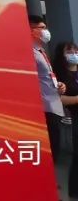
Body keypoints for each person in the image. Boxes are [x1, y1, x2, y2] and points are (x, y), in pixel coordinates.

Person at [32, 15, 66, 164]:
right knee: (50, 149)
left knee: (55, 147)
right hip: (45, 106)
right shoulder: (30, 52)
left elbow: (46, 76)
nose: (46, 31)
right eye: (42, 28)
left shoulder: (41, 51)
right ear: (31, 30)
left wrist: (59, 84)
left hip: (53, 103)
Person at [54, 41, 78, 199]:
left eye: (76, 51)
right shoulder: (60, 76)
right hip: (73, 117)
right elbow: (59, 99)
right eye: (69, 51)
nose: (74, 54)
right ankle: (74, 192)